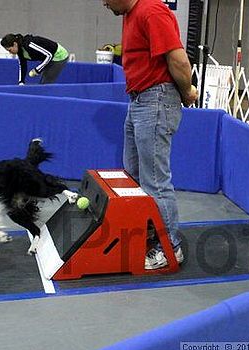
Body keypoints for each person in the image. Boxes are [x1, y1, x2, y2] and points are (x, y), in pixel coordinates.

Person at [103, 0, 198, 269]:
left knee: (155, 180)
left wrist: (187, 91)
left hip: (156, 99)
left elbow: (178, 60)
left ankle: (169, 248)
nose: (104, 4)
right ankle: (146, 233)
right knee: (132, 173)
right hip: (139, 100)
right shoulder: (131, 13)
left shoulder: (151, 10)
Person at [0, 33, 69, 85]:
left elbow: (49, 55)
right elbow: (22, 65)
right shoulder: (20, 51)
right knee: (43, 83)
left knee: (46, 84)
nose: (10, 52)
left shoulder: (29, 45)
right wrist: (21, 82)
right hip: (50, 58)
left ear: (15, 44)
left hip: (59, 56)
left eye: (9, 50)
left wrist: (37, 70)